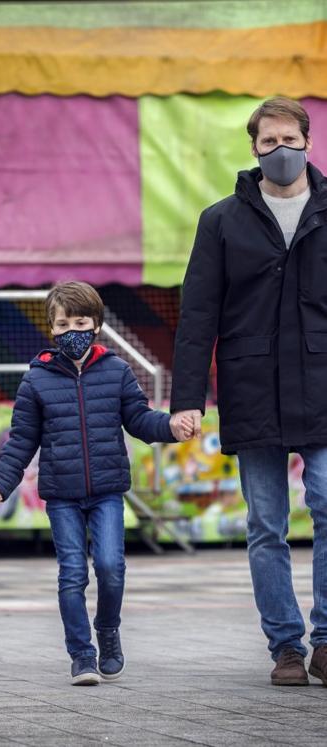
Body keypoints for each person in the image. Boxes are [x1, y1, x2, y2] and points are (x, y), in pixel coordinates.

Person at [171, 97, 327, 687]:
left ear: (308, 142)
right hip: (252, 387)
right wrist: (187, 399)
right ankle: (286, 648)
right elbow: (197, 316)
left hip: (323, 386)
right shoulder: (221, 220)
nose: (281, 151)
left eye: (291, 139)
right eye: (269, 142)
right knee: (266, 523)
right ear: (254, 148)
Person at [0, 282, 192, 686]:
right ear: (52, 329)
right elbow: (21, 441)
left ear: (96, 325)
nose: (72, 330)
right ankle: (82, 655)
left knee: (111, 567)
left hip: (108, 491)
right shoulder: (35, 381)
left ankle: (107, 630)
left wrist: (170, 426)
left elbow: (140, 419)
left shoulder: (116, 370)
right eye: (63, 323)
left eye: (81, 321)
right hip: (62, 495)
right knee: (72, 573)